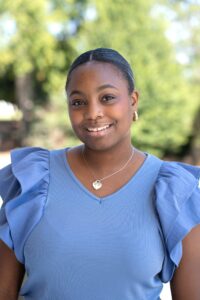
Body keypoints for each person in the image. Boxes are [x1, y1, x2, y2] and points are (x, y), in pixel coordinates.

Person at [0, 48, 200, 300]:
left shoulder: (175, 191)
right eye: (78, 102)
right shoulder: (31, 179)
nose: (93, 112)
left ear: (133, 101)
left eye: (107, 97)